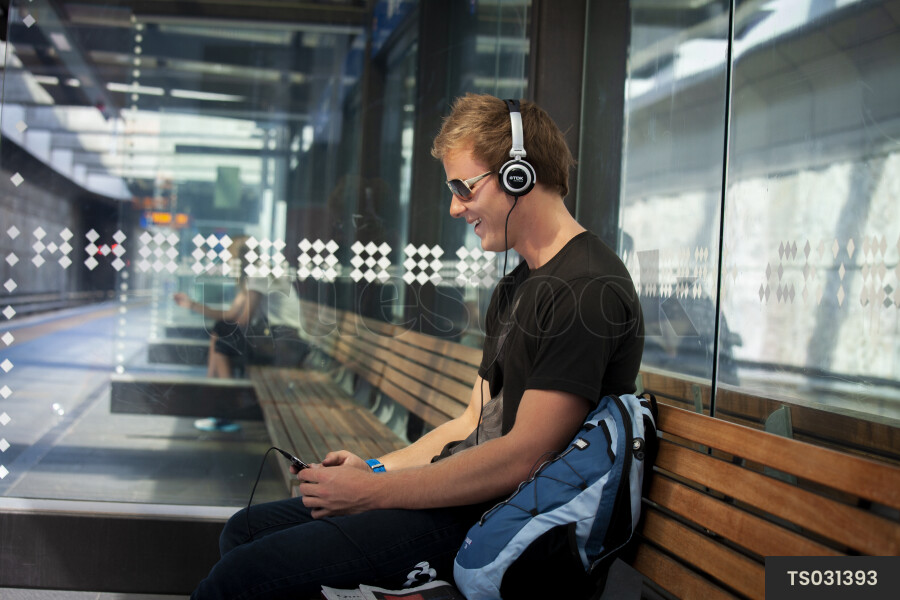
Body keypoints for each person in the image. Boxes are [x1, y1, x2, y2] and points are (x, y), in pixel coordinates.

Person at [191, 93, 643, 598]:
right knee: (245, 530)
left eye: (463, 188)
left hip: (498, 519)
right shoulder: (521, 284)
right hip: (464, 497)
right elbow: (471, 424)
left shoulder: (586, 291)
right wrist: (375, 470)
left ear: (520, 175)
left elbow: (524, 459)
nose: (454, 206)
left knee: (240, 579)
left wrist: (376, 494)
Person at [175, 236, 301, 432]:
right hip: (275, 337)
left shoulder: (260, 274)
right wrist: (191, 305)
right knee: (221, 330)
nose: (227, 261)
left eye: (229, 256)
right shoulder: (257, 274)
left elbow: (243, 320)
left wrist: (219, 325)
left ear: (240, 257)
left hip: (286, 342)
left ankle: (224, 403)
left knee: (224, 336)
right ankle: (217, 394)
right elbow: (232, 314)